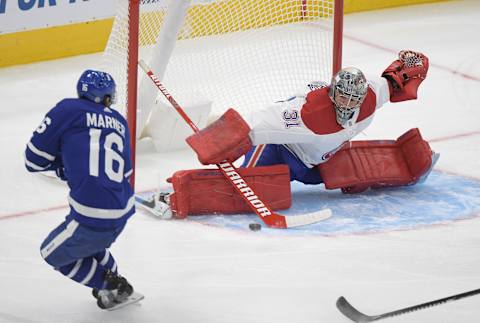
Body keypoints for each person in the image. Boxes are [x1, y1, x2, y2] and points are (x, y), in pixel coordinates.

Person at [139, 50, 438, 219]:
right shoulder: (308, 115)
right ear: (332, 92)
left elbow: (398, 77)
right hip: (281, 149)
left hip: (316, 165)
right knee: (244, 191)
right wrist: (214, 143)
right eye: (341, 96)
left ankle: (405, 165)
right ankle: (175, 197)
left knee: (350, 177)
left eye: (352, 99)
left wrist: (410, 67)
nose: (347, 103)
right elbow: (255, 123)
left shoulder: (374, 91)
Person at [24, 70, 136, 309]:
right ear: (108, 97)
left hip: (91, 215)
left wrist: (63, 162)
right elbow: (126, 173)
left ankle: (111, 285)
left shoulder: (68, 109)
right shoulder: (119, 121)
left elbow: (32, 161)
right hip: (123, 212)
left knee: (51, 253)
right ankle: (114, 284)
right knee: (92, 246)